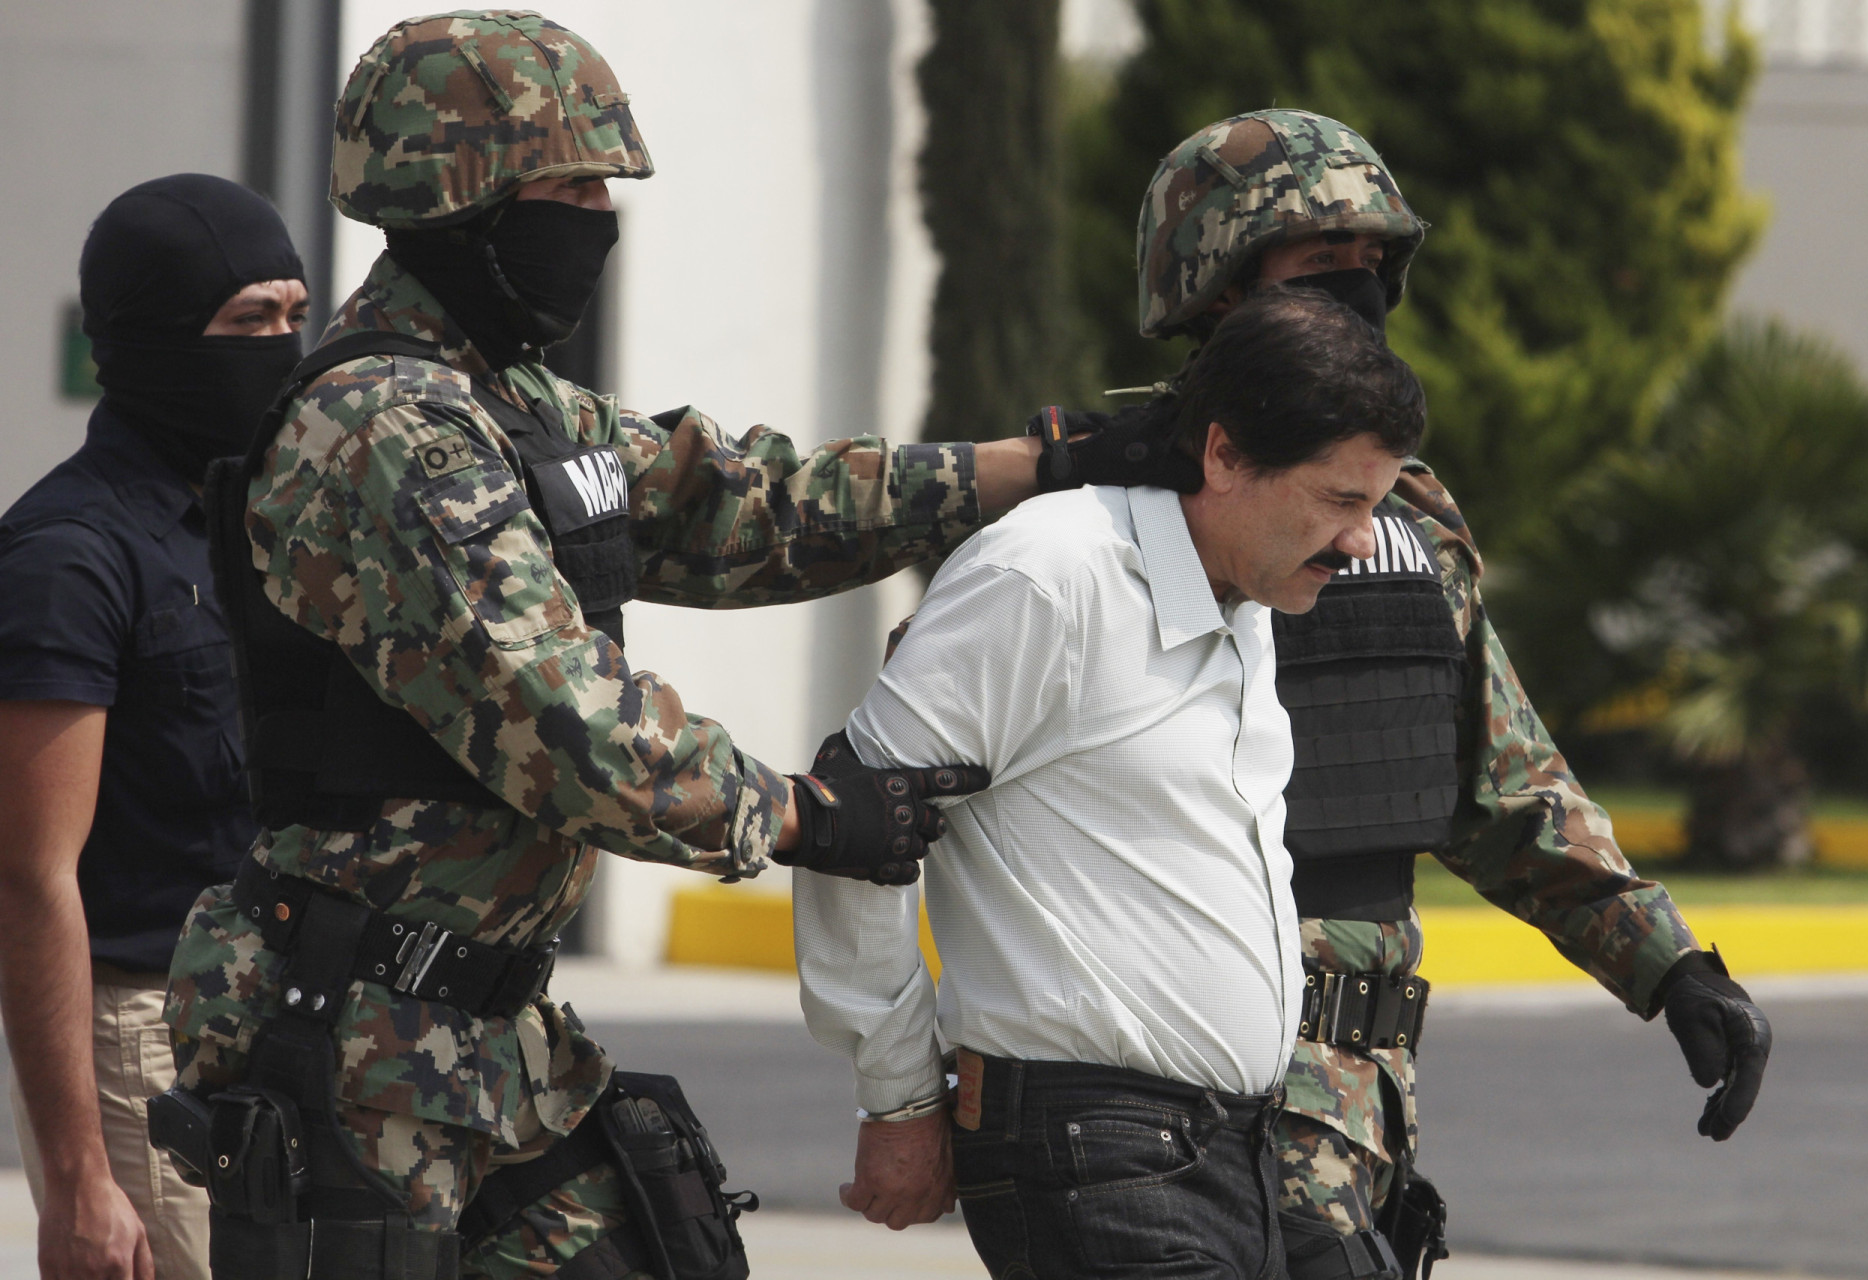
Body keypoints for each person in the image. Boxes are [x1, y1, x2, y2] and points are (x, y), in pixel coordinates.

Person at [156, 11, 1173, 1280]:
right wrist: (798, 813)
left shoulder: (513, 402)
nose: (599, 217)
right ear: (458, 196)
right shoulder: (385, 433)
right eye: (569, 186)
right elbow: (561, 717)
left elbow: (744, 508)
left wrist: (1039, 465)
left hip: (486, 1036)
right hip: (356, 1044)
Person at [1115, 109, 1772, 1278]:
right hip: (1179, 1089)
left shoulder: (1408, 518)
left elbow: (1500, 777)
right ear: (1217, 285)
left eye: (1373, 272)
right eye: (1323, 271)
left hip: (1358, 1104)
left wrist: (1669, 963)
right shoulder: (1109, 502)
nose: (1358, 298)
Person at [795, 289, 1429, 1279]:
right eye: (1339, 500)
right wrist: (900, 1098)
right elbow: (859, 824)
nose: (1360, 540)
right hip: (1096, 1153)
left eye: (1375, 504)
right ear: (1223, 455)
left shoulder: (1249, 599)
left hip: (1233, 1153)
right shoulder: (1048, 577)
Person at [0, 174, 309, 1280]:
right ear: (150, 340)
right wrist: (80, 1173)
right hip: (150, 1045)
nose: (280, 347)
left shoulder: (270, 525)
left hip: (296, 1024)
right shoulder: (67, 555)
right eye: (246, 321)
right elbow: (31, 877)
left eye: (292, 314)